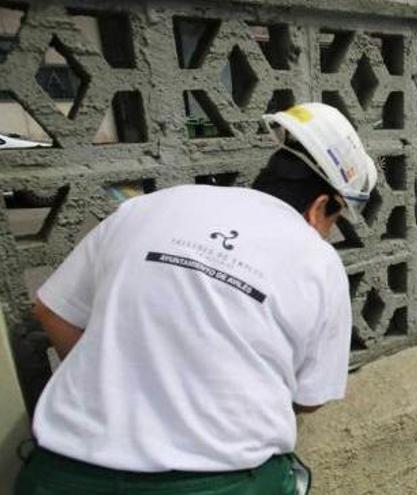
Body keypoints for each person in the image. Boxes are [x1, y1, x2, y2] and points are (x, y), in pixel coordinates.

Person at [15, 102, 378, 495]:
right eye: (334, 221)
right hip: (219, 482)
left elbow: (51, 310)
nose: (328, 233)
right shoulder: (318, 260)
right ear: (320, 206)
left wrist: (118, 375)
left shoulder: (151, 206)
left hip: (62, 473)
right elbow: (310, 399)